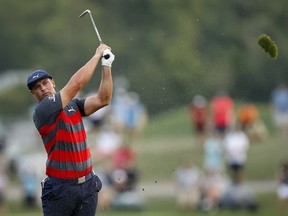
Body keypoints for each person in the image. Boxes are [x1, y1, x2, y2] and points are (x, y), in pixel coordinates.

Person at [26, 44, 115, 216]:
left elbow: (103, 99)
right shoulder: (43, 110)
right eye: (37, 87)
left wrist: (107, 65)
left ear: (53, 82)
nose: (43, 88)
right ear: (33, 94)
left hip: (88, 185)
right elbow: (76, 84)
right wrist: (97, 55)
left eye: (45, 83)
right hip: (60, 189)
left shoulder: (73, 105)